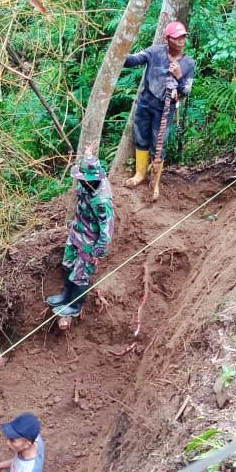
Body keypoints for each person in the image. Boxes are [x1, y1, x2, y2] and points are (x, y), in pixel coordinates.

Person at [122, 21, 195, 188]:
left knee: (159, 143)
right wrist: (120, 52)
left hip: (165, 109)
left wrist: (179, 76)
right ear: (167, 39)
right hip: (146, 102)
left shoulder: (188, 63)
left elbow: (186, 90)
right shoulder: (155, 52)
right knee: (141, 137)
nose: (181, 41)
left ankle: (155, 180)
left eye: (183, 37)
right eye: (177, 38)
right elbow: (133, 60)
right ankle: (140, 174)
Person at [45, 150, 114, 318]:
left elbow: (107, 229)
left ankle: (75, 306)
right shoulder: (86, 185)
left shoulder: (102, 201)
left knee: (82, 273)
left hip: (90, 241)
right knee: (69, 264)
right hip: (77, 231)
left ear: (92, 180)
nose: (80, 182)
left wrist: (98, 252)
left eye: (83, 179)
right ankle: (65, 297)